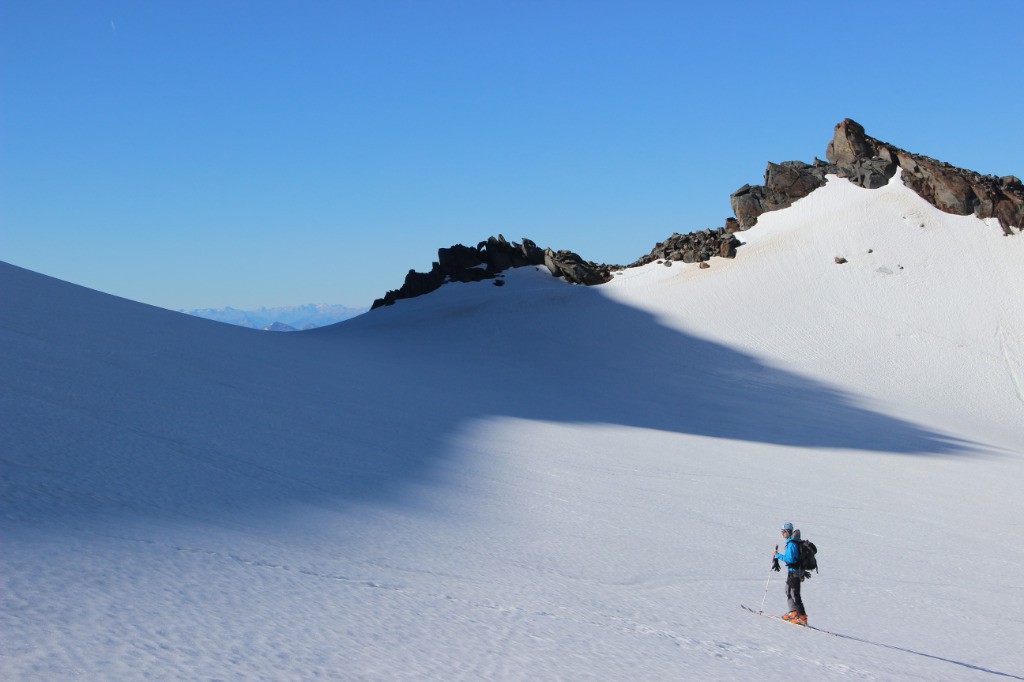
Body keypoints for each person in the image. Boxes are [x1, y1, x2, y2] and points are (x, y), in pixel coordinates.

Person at [774, 521, 808, 625]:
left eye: (783, 531)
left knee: (794, 594)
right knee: (788, 590)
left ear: (788, 532)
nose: (782, 533)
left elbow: (790, 559)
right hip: (792, 572)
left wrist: (777, 555)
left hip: (794, 572)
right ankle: (793, 613)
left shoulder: (792, 544)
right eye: (781, 531)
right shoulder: (791, 542)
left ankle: (802, 617)